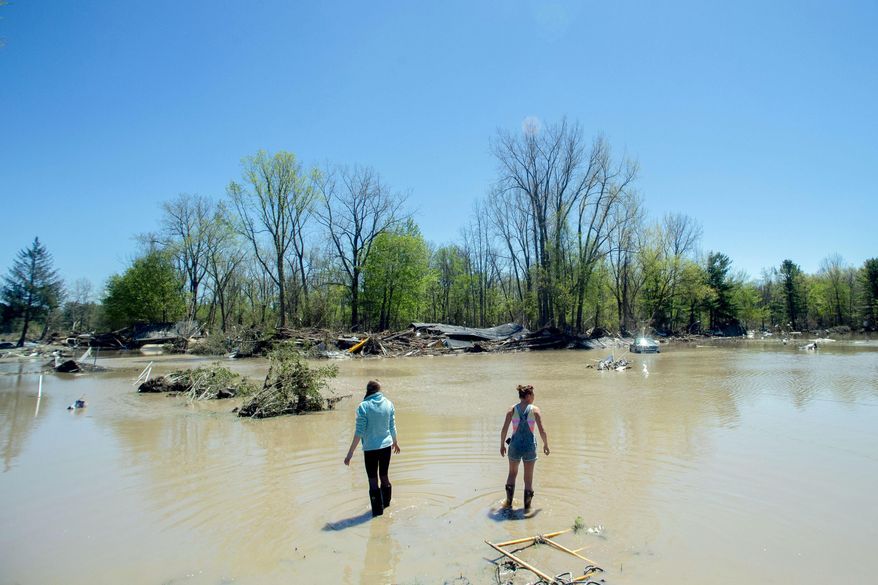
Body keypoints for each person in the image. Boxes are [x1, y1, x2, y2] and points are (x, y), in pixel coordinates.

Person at [344, 380, 400, 517]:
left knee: (373, 480)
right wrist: (395, 442)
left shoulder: (363, 406)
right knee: (384, 476)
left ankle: (377, 513)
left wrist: (350, 454)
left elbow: (359, 432)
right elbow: (392, 426)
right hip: (386, 446)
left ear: (367, 390)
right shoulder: (388, 403)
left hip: (370, 450)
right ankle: (386, 506)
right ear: (379, 390)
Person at [499, 384, 549, 510]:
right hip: (529, 447)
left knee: (512, 473)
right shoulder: (535, 410)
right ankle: (527, 509)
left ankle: (508, 504)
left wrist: (501, 445)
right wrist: (546, 444)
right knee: (528, 480)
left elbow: (504, 429)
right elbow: (542, 430)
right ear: (528, 396)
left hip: (515, 445)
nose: (534, 397)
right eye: (533, 395)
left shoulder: (512, 409)